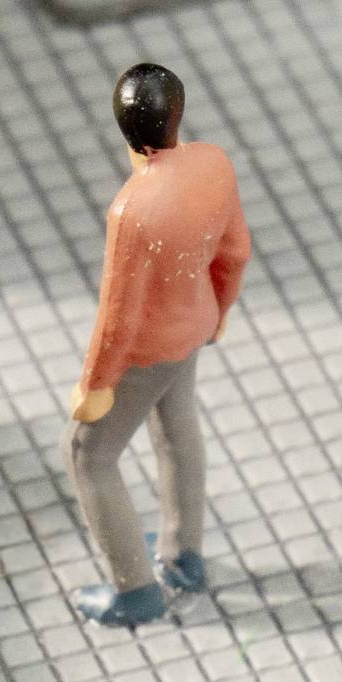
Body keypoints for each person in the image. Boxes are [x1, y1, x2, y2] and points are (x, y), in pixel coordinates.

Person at [66, 64, 251, 630]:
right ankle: (184, 554)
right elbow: (237, 250)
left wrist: (94, 385)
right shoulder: (213, 162)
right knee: (176, 429)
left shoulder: (133, 210)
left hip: (147, 351)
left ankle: (136, 588)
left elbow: (117, 318)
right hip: (196, 322)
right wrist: (219, 312)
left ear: (125, 132)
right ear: (178, 115)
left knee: (89, 454)